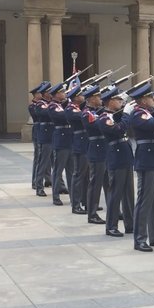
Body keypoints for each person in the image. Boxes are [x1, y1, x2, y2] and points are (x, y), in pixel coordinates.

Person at [125, 82, 154, 252]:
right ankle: (139, 238)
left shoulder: (148, 112)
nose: (153, 99)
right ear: (143, 100)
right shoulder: (138, 114)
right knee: (144, 200)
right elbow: (153, 124)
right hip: (147, 160)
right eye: (151, 97)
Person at [99, 87, 134, 238]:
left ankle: (130, 223)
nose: (120, 102)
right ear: (109, 101)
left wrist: (125, 112)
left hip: (125, 155)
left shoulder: (115, 115)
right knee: (115, 193)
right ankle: (111, 226)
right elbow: (119, 129)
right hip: (116, 157)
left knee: (128, 193)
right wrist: (126, 113)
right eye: (117, 100)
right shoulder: (103, 118)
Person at [81, 85, 107, 225]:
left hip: (104, 148)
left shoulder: (98, 111)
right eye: (98, 97)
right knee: (95, 183)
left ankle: (114, 210)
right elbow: (99, 125)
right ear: (91, 99)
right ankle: (92, 213)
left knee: (108, 183)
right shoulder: (87, 113)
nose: (100, 99)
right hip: (96, 149)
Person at [47, 83, 73, 206]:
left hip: (69, 139)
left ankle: (75, 197)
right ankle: (56, 196)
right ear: (57, 94)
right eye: (62, 92)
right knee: (58, 169)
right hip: (61, 140)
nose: (65, 94)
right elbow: (63, 116)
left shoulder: (64, 105)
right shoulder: (53, 106)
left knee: (71, 171)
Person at [64, 84, 89, 214]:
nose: (83, 97)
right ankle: (76, 204)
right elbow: (84, 117)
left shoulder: (79, 108)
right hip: (79, 144)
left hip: (86, 143)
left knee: (86, 176)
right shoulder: (70, 109)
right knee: (78, 175)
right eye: (81, 95)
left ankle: (86, 202)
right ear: (75, 98)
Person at [32, 83, 54, 197]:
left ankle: (59, 185)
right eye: (50, 92)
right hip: (45, 136)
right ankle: (39, 186)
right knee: (43, 161)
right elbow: (47, 113)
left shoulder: (52, 104)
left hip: (54, 135)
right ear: (45, 93)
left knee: (56, 163)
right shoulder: (40, 104)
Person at [28, 81, 49, 191]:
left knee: (48, 157)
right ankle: (35, 181)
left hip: (45, 130)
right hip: (38, 130)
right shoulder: (33, 106)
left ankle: (48, 179)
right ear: (36, 94)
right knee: (38, 157)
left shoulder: (44, 104)